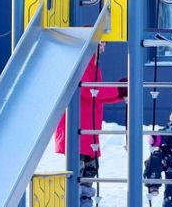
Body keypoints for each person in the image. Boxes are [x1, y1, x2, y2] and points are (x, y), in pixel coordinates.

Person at [54, 41, 127, 207]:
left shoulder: (94, 68)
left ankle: (85, 203)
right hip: (76, 131)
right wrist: (118, 89)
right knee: (77, 176)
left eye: (104, 44)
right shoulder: (79, 64)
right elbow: (88, 91)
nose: (103, 47)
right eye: (100, 43)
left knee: (90, 172)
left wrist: (120, 93)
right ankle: (76, 202)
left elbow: (96, 96)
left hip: (89, 132)